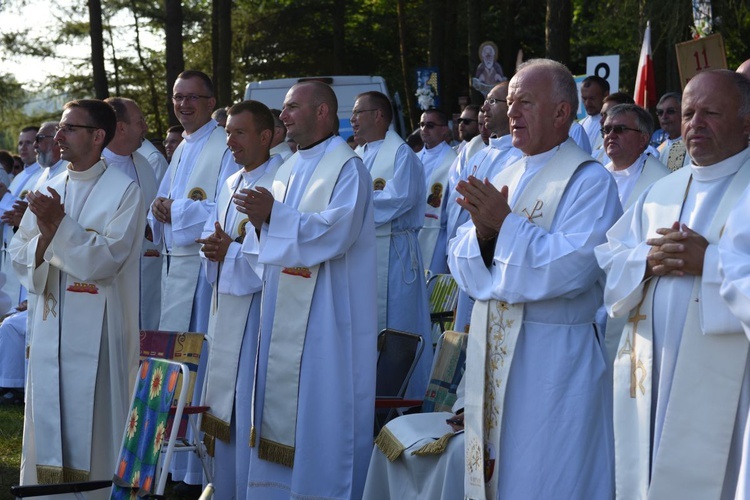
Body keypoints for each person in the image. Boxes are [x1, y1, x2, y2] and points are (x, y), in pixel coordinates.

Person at [450, 58, 620, 499]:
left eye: (525, 102)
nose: (511, 113)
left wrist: (502, 229)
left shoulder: (590, 181)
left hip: (553, 363)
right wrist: (488, 236)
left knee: (547, 476)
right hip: (496, 349)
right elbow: (460, 253)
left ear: (562, 112)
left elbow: (573, 267)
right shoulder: (504, 173)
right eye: (509, 103)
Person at [595, 69, 750, 499]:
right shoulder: (661, 190)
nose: (694, 124)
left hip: (730, 386)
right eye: (687, 113)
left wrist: (711, 263)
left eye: (710, 113)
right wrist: (645, 260)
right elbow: (610, 256)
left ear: (746, 122)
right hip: (652, 369)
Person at [243, 80, 376, 499]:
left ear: (322, 113)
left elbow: (335, 232)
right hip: (282, 307)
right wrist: (263, 223)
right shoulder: (286, 167)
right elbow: (267, 239)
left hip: (328, 315)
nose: (282, 116)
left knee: (322, 405)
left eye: (291, 108)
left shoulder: (347, 167)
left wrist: (274, 217)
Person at [9, 99, 144, 494]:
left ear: (97, 136)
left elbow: (107, 260)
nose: (58, 136)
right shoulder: (46, 185)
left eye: (69, 128)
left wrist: (58, 228)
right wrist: (48, 236)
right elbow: (20, 250)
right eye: (60, 129)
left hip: (99, 333)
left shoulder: (125, 191)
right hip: (50, 323)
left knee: (96, 422)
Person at [148, 70, 232, 488]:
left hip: (204, 270)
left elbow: (227, 205)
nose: (183, 105)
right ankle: (175, 463)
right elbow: (162, 199)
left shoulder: (224, 145)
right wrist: (161, 209)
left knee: (200, 356)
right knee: (180, 356)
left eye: (193, 98)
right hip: (177, 266)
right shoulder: (182, 147)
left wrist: (175, 211)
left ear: (212, 99)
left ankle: (195, 464)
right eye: (178, 97)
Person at [196, 100, 283, 500]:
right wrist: (213, 248)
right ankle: (225, 485)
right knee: (224, 402)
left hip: (261, 316)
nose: (230, 140)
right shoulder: (230, 183)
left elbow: (274, 253)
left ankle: (253, 487)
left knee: (248, 403)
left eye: (239, 132)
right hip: (226, 308)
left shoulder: (280, 180)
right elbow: (218, 238)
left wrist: (229, 250)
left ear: (266, 136)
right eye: (228, 132)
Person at [351, 90, 431, 398]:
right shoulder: (360, 154)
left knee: (399, 324)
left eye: (359, 113)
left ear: (379, 116)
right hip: (367, 252)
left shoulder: (400, 154)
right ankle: (370, 394)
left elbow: (399, 199)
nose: (352, 120)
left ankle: (403, 397)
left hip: (395, 254)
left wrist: (352, 209)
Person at [447, 82, 523, 333]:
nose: (484, 109)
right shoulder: (479, 154)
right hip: (468, 250)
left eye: (493, 102)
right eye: (484, 103)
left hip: (493, 258)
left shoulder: (520, 156)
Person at [598, 103, 669, 370]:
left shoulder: (662, 183)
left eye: (619, 129)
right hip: (588, 288)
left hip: (632, 291)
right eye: (606, 129)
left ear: (643, 138)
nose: (610, 135)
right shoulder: (592, 175)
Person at [103, 97, 161, 330]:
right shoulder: (95, 167)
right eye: (140, 122)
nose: (145, 128)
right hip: (111, 276)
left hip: (146, 273)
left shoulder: (144, 164)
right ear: (121, 127)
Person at [416, 108, 457, 273]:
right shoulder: (413, 158)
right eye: (422, 124)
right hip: (414, 231)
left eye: (430, 125)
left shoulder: (453, 161)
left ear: (444, 129)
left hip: (439, 235)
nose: (424, 130)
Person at [655, 92, 691, 171]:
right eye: (660, 112)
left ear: (683, 113)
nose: (664, 116)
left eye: (670, 111)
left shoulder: (694, 145)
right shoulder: (659, 151)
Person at [579, 75, 610, 150]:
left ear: (606, 95)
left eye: (592, 98)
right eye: (584, 98)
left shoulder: (613, 125)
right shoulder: (580, 125)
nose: (587, 103)